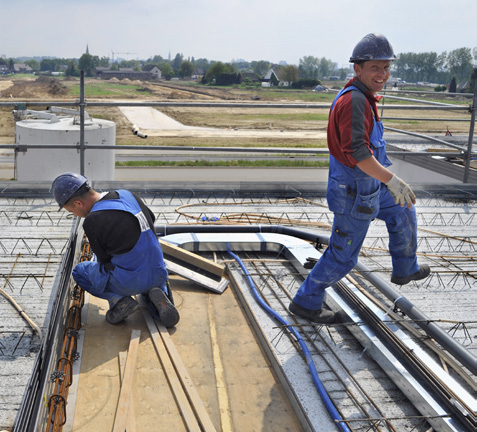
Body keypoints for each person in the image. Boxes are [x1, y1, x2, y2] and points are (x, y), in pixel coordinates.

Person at [289, 33, 430, 324]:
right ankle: (306, 302)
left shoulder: (364, 97)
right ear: (358, 69)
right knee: (343, 257)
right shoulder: (354, 102)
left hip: (369, 186)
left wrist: (387, 184)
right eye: (375, 68)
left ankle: (406, 268)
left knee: (403, 208)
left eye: (387, 68)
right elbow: (358, 152)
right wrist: (392, 179)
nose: (383, 74)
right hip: (354, 193)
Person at [51, 172, 180, 327]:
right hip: (159, 270)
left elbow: (105, 261)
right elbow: (151, 220)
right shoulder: (127, 194)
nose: (75, 215)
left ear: (78, 203)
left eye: (72, 212)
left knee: (80, 271)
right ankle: (158, 295)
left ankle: (119, 301)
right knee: (141, 265)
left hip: (131, 281)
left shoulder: (93, 220)